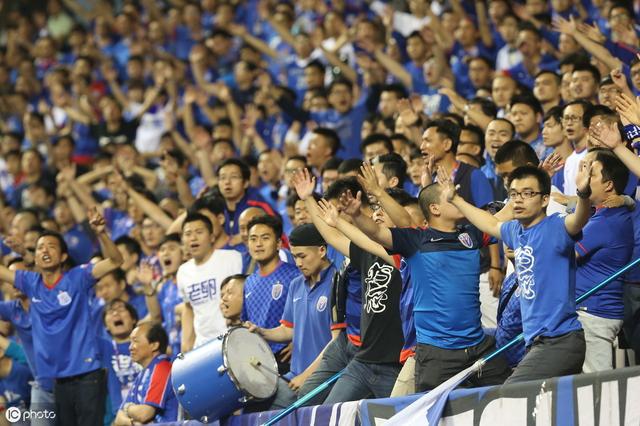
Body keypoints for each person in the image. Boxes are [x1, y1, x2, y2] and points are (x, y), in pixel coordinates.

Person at [351, 178, 511, 391]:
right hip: (437, 354)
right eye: (451, 197)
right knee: (433, 410)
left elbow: (504, 216)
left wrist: (535, 182)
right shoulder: (416, 240)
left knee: (506, 399)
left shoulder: (471, 234)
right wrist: (355, 215)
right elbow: (377, 232)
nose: (458, 199)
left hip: (478, 346)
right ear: (435, 209)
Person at [446, 164, 592, 383]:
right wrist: (455, 199)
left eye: (527, 193)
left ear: (544, 199)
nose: (518, 200)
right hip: (537, 342)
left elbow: (579, 219)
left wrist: (583, 194)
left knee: (511, 394)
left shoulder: (555, 227)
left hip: (559, 339)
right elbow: (489, 223)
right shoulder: (515, 230)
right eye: (514, 194)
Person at [0, 207, 123, 426]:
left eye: (51, 246)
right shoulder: (31, 283)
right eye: (40, 248)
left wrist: (101, 233)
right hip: (58, 380)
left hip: (87, 375)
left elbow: (115, 261)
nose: (45, 250)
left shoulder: (78, 277)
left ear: (64, 256)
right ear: (35, 258)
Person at [245, 224, 336, 409]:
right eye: (294, 257)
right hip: (294, 375)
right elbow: (288, 329)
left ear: (321, 250)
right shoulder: (296, 284)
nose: (298, 263)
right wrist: (262, 332)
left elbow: (337, 341)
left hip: (325, 375)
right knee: (252, 400)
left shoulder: (338, 281)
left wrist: (306, 376)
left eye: (302, 256)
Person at [575, 150, 633, 372]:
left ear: (608, 185)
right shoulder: (609, 213)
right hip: (592, 310)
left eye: (592, 174)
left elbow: (563, 254)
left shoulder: (605, 221)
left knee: (597, 385)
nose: (585, 178)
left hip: (595, 312)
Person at [242, 215, 300, 373]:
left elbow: (309, 316)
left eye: (265, 238)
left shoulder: (295, 276)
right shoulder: (249, 282)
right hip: (258, 361)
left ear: (278, 243)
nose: (258, 244)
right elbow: (246, 322)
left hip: (287, 358)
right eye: (253, 239)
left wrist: (299, 341)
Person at [178, 213, 243, 352]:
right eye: (188, 234)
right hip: (202, 348)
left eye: (199, 232)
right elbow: (188, 307)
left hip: (233, 340)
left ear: (212, 237)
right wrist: (186, 344)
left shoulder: (233, 259)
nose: (193, 238)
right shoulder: (183, 272)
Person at [114, 323, 178, 424]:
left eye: (135, 341)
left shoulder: (162, 369)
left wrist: (127, 408)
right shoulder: (143, 373)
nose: (130, 347)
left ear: (154, 345)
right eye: (130, 342)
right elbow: (118, 418)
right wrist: (132, 422)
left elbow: (144, 414)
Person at [100, 299, 142, 422]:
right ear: (106, 325)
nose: (115, 313)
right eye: (110, 312)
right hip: (118, 415)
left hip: (148, 409)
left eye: (121, 309)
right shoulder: (103, 347)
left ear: (133, 319)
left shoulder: (147, 344)